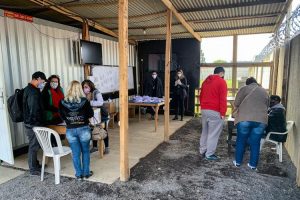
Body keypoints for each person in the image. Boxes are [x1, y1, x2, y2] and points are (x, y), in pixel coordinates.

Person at [59, 81, 94, 180]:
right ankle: (86, 173)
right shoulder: (84, 101)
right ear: (79, 89)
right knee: (86, 151)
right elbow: (90, 114)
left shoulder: (62, 101)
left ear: (68, 88)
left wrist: (69, 120)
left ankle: (78, 174)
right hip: (83, 129)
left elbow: (61, 116)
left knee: (75, 153)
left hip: (70, 130)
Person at [233, 77, 269, 170]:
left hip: (245, 119)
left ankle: (238, 162)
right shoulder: (264, 91)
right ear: (256, 83)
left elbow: (236, 103)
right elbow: (267, 105)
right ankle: (252, 165)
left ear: (247, 83)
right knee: (255, 142)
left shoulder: (243, 89)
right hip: (261, 120)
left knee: (241, 140)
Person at [199, 67, 227, 160]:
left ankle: (202, 150)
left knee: (205, 131)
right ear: (222, 73)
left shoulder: (205, 81)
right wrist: (223, 113)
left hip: (204, 109)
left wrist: (202, 107)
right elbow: (223, 98)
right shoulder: (221, 82)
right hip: (215, 110)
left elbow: (201, 95)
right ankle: (209, 154)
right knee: (213, 133)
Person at [23, 71, 47, 175]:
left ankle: (36, 164)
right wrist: (36, 124)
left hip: (29, 122)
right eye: (42, 81)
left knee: (35, 145)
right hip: (33, 123)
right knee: (33, 145)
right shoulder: (33, 92)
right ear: (38, 79)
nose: (43, 83)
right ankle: (33, 169)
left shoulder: (28, 89)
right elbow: (33, 109)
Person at [82, 80, 110, 154]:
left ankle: (107, 147)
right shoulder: (84, 94)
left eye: (86, 87)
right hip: (92, 115)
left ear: (90, 86)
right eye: (84, 87)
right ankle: (95, 147)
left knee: (103, 130)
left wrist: (89, 102)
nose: (85, 89)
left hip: (101, 115)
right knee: (93, 130)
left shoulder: (96, 92)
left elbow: (100, 102)